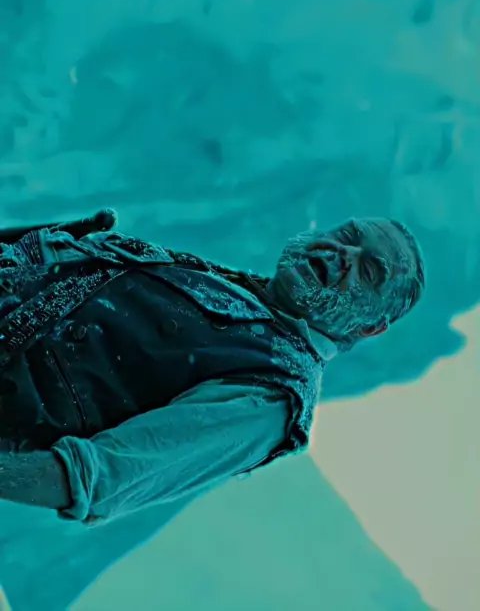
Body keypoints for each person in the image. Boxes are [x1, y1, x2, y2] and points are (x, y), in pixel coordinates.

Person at [0, 208, 424, 525]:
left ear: (370, 327)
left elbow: (92, 477)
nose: (344, 253)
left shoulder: (273, 393)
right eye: (349, 235)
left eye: (369, 270)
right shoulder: (224, 282)